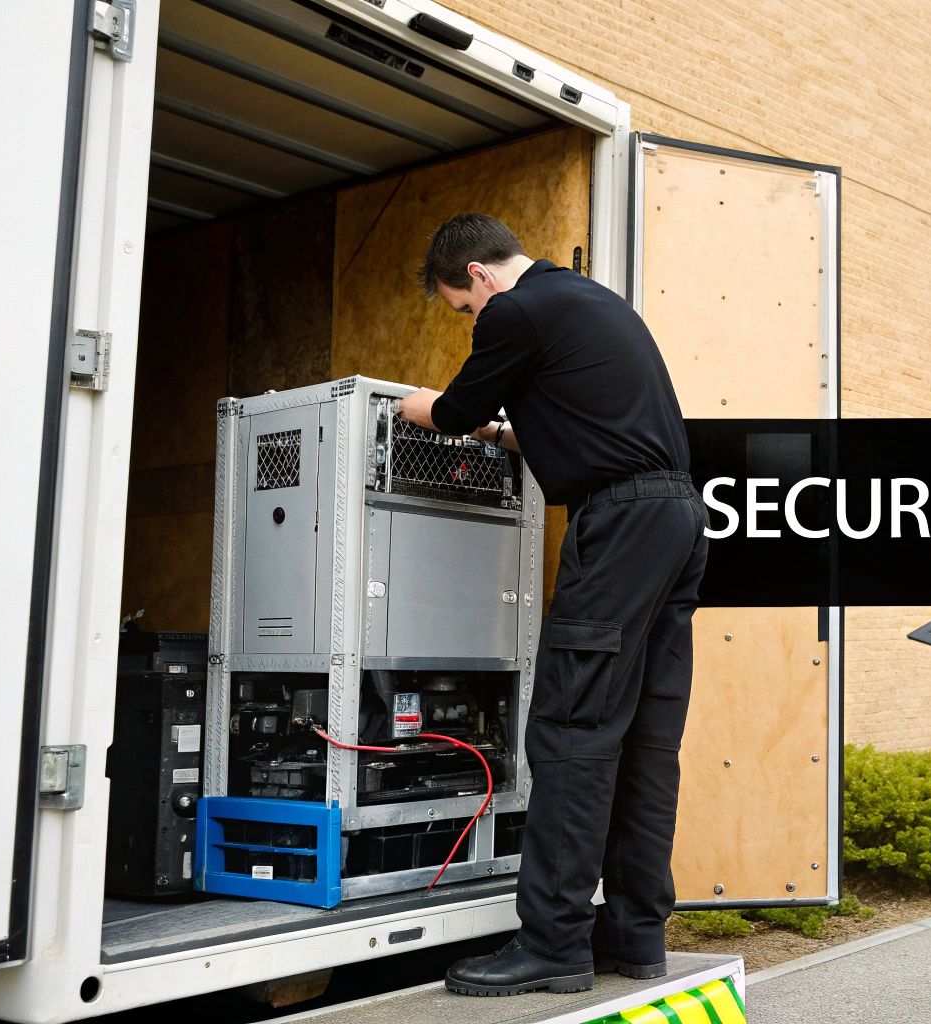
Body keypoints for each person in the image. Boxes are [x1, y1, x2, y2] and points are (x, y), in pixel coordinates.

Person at [397, 213, 709, 996]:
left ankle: (554, 946)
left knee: (571, 729)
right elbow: (587, 425)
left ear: (477, 278)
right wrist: (515, 440)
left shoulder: (515, 308)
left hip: (620, 526)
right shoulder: (587, 303)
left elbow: (459, 411)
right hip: (676, 520)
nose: (474, 321)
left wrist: (413, 405)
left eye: (462, 310)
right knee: (643, 739)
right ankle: (636, 937)